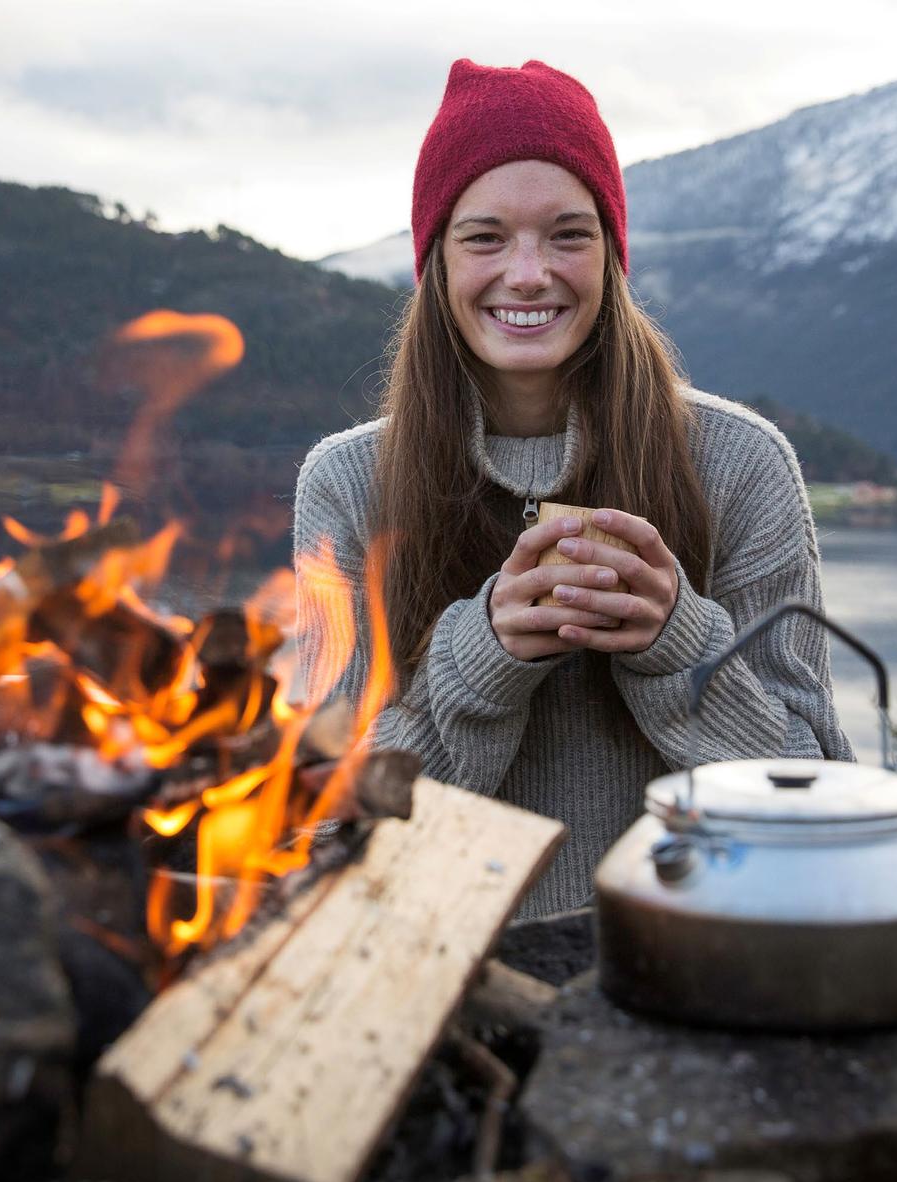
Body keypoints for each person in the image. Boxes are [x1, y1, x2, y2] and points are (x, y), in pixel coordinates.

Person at [295, 58, 853, 918]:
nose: (528, 273)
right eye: (484, 236)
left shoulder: (739, 463)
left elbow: (815, 789)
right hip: (429, 983)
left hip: (698, 964)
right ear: (435, 260)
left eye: (568, 233)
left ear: (611, 253)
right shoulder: (349, 482)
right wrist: (483, 656)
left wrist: (678, 644)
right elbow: (332, 816)